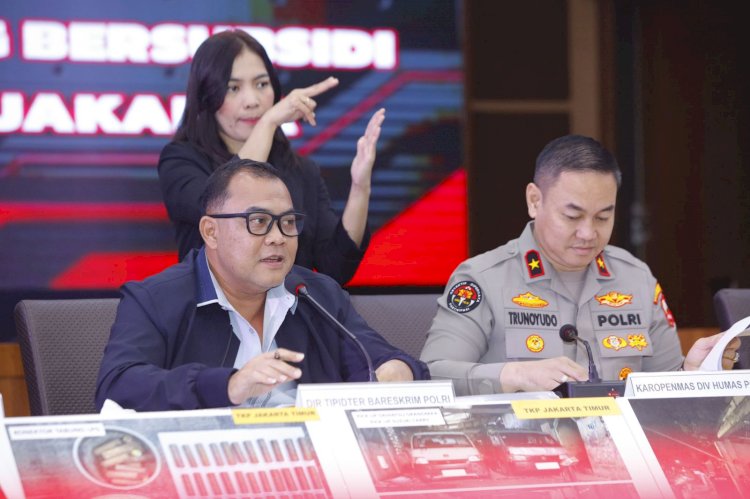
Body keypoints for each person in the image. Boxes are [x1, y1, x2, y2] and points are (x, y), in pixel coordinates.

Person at [420, 134, 741, 395]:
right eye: (572, 216)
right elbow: (431, 375)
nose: (588, 233)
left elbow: (664, 387)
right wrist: (514, 375)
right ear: (535, 201)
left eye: (603, 217)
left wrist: (692, 372)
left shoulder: (636, 278)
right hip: (521, 446)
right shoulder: (482, 278)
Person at [96, 158, 427, 411]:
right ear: (211, 231)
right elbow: (117, 387)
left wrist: (395, 372)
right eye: (258, 222)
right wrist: (229, 386)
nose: (278, 238)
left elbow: (382, 360)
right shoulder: (154, 300)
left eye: (287, 222)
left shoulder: (317, 295)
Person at [158, 29, 383, 284]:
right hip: (210, 307)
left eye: (261, 84)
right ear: (207, 96)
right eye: (233, 88)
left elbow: (336, 269)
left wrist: (360, 186)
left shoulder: (301, 171)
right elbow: (222, 202)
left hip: (290, 309)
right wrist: (268, 122)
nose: (252, 101)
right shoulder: (181, 161)